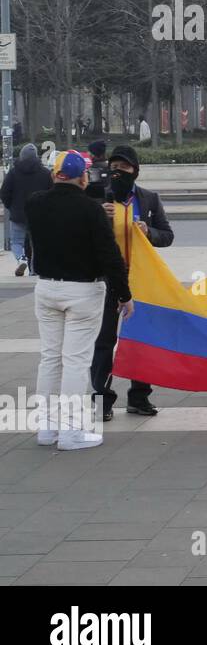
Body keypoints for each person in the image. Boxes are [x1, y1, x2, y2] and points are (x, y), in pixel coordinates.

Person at [25, 151, 133, 450]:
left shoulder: (35, 204)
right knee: (75, 361)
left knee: (50, 358)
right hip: (83, 291)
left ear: (54, 174)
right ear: (83, 177)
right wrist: (124, 294)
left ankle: (46, 429)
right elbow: (109, 255)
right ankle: (71, 432)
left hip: (46, 288)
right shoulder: (91, 210)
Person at [88, 146, 173, 420]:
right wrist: (99, 217)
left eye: (123, 168)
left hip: (141, 282)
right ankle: (102, 399)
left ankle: (139, 397)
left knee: (141, 340)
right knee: (104, 341)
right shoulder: (97, 197)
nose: (117, 172)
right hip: (106, 281)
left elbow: (168, 235)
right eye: (113, 167)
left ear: (135, 171)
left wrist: (150, 232)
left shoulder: (148, 199)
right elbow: (81, 235)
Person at [1, 143, 52, 276]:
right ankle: (34, 271)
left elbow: (5, 192)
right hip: (39, 214)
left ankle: (21, 258)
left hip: (18, 214)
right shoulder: (45, 173)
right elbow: (51, 193)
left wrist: (10, 206)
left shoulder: (13, 172)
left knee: (16, 241)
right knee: (36, 244)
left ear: (22, 156)